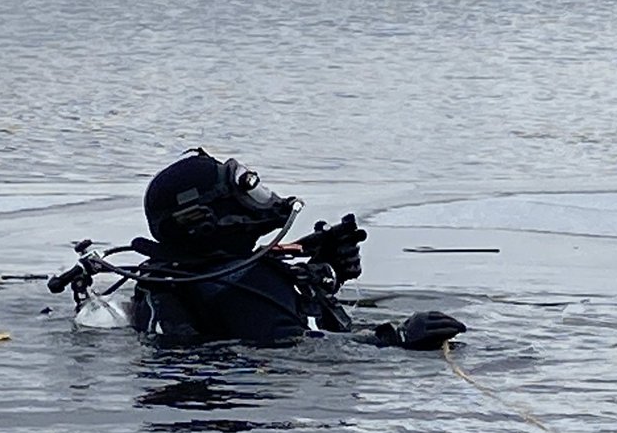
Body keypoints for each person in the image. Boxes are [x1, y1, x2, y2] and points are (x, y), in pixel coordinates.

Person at [58, 149, 466, 349]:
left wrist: (327, 272)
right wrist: (397, 338)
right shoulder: (238, 283)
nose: (261, 201)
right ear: (203, 221)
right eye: (244, 192)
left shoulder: (184, 274)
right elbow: (302, 348)